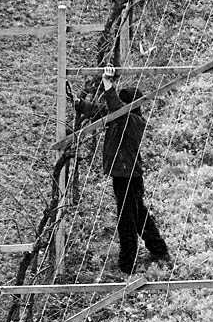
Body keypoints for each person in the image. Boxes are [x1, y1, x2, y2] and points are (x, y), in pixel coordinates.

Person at [73, 65, 172, 274]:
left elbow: (115, 108)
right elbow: (100, 111)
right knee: (138, 217)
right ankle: (159, 250)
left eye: (122, 102)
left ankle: (127, 265)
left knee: (127, 221)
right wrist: (80, 104)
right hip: (125, 176)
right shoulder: (120, 117)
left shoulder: (132, 121)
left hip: (128, 177)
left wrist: (108, 84)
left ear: (129, 106)